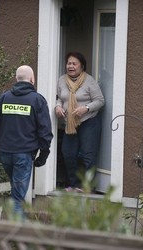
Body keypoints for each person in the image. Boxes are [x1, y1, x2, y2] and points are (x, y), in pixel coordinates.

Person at [0, 65, 53, 219]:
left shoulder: (3, 98)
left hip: (5, 154)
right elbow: (45, 132)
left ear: (16, 79)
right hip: (23, 155)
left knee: (16, 192)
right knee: (17, 197)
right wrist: (43, 155)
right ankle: (17, 237)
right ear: (32, 79)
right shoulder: (37, 100)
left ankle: (15, 232)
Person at [55, 52, 104, 192]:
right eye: (68, 63)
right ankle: (74, 184)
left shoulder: (89, 81)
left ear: (81, 66)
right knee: (68, 153)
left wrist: (86, 108)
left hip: (89, 121)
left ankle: (88, 187)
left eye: (74, 63)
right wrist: (57, 106)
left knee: (88, 155)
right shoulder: (62, 80)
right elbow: (60, 97)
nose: (70, 66)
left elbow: (100, 101)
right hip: (70, 123)